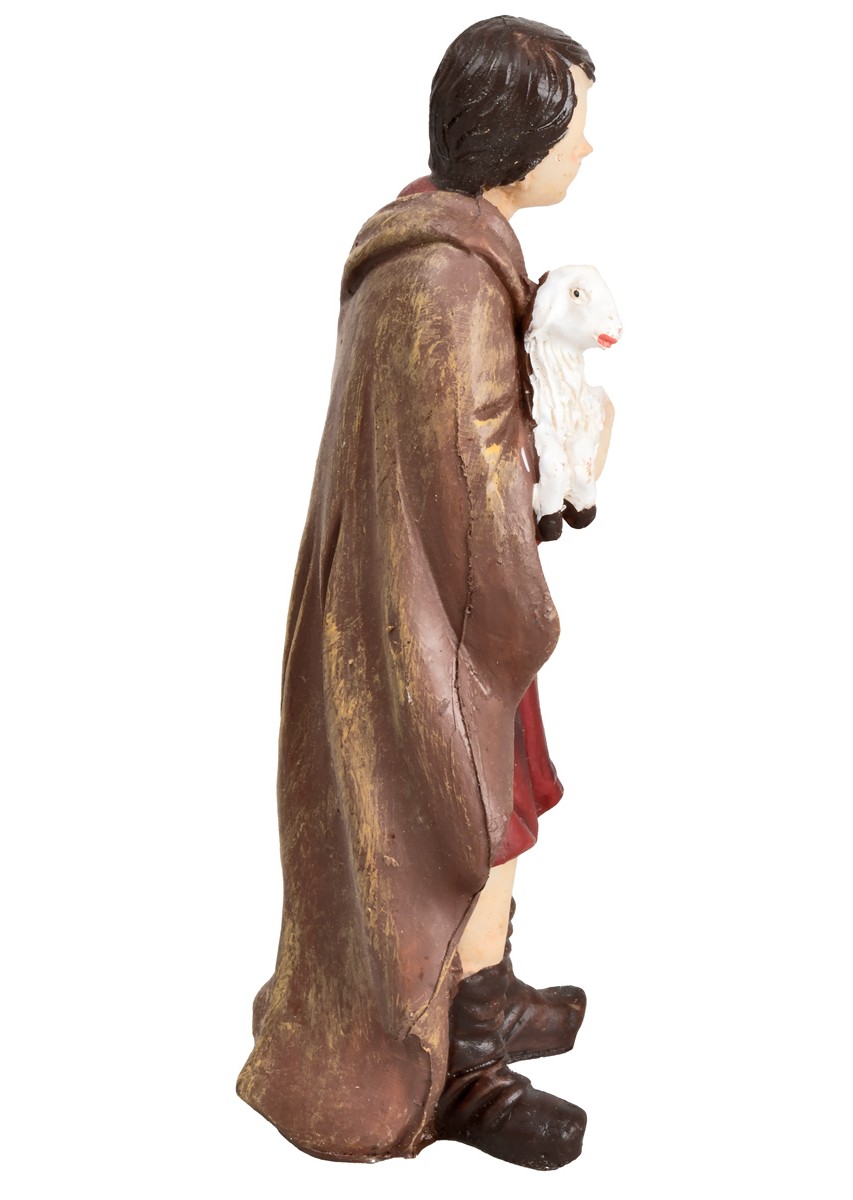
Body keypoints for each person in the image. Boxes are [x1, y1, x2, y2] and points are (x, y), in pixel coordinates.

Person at [236, 16, 602, 1171]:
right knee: (469, 819)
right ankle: (459, 1065)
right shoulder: (446, 281)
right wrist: (570, 473)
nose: (589, 150)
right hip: (441, 625)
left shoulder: (429, 251)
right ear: (521, 135)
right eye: (577, 127)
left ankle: (486, 988)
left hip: (435, 609)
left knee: (505, 805)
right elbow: (479, 474)